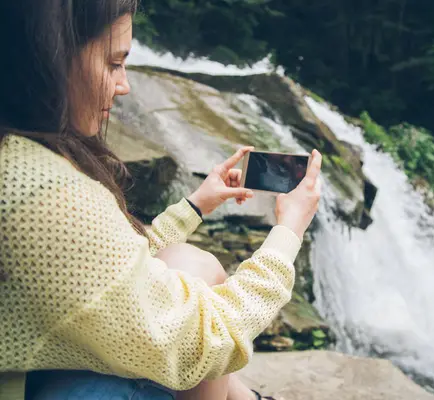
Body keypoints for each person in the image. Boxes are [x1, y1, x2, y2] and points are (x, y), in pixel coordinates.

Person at [0, 1, 322, 400]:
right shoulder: (43, 194)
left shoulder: (18, 157)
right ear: (46, 59)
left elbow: (107, 272)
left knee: (190, 264)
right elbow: (208, 341)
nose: (124, 85)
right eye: (114, 64)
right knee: (198, 279)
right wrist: (288, 232)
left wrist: (195, 206)